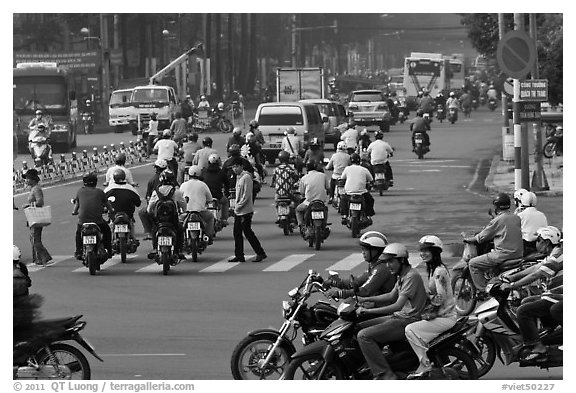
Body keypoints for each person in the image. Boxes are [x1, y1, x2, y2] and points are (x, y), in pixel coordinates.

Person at [356, 243, 428, 380]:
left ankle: (385, 374)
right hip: (399, 317)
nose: (388, 265)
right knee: (358, 327)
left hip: (407, 320)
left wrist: (369, 311)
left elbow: (396, 305)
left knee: (364, 336)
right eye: (386, 262)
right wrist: (364, 299)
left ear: (401, 260)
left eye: (391, 261)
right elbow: (390, 295)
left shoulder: (411, 276)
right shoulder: (402, 275)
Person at [500, 226, 563, 361]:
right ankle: (540, 336)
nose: (536, 244)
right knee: (526, 301)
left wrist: (512, 286)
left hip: (559, 296)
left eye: (538, 240)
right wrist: (512, 277)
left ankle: (537, 346)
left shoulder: (558, 256)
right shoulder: (554, 254)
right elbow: (535, 268)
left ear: (546, 242)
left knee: (523, 311)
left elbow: (537, 274)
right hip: (553, 294)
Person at [404, 236, 457, 379]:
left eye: (426, 250)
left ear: (435, 251)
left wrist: (428, 306)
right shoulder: (434, 270)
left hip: (445, 317)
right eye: (421, 250)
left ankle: (425, 365)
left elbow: (440, 298)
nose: (423, 254)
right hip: (443, 315)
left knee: (410, 330)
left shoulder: (439, 272)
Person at [459, 193, 523, 298]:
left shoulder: (497, 220)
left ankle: (484, 290)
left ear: (496, 207)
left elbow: (481, 238)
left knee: (473, 263)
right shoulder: (516, 218)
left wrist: (468, 239)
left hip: (503, 254)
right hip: (518, 254)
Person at [326, 231, 396, 299]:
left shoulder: (382, 268)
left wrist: (339, 294)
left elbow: (365, 290)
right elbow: (357, 282)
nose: (363, 252)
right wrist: (333, 282)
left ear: (376, 250)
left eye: (365, 250)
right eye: (362, 249)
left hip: (382, 307)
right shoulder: (375, 265)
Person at [228, 157, 267, 263]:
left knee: (247, 232)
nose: (235, 169)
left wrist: (238, 206)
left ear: (241, 166)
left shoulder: (246, 177)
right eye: (233, 167)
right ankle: (239, 255)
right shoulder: (239, 177)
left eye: (237, 166)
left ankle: (260, 253)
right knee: (237, 233)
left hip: (245, 211)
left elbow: (246, 195)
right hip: (239, 210)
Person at [72, 172, 114, 260]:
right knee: (107, 231)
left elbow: (77, 204)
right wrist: (111, 210)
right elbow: (107, 204)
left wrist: (74, 211)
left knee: (78, 233)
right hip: (97, 221)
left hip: (83, 221)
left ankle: (78, 251)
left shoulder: (80, 191)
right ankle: (109, 250)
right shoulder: (99, 192)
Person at [146, 169, 186, 259]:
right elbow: (184, 207)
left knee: (154, 230)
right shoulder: (177, 192)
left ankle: (155, 248)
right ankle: (179, 249)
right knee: (180, 229)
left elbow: (149, 208)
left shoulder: (156, 192)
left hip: (159, 221)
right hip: (172, 221)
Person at [21, 169, 52, 266]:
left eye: (27, 178)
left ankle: (45, 257)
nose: (26, 180)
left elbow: (40, 202)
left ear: (33, 179)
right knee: (32, 238)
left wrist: (28, 205)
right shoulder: (33, 189)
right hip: (32, 216)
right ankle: (38, 259)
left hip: (36, 216)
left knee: (35, 239)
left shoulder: (37, 189)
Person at [179, 165, 215, 244]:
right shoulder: (203, 185)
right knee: (211, 218)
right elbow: (210, 199)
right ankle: (209, 236)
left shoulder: (183, 185)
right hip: (200, 212)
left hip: (186, 213)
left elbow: (179, 198)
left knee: (178, 221)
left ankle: (180, 239)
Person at [104, 169, 142, 241]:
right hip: (128, 215)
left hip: (113, 215)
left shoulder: (108, 189)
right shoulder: (131, 189)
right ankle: (133, 238)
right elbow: (138, 203)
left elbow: (102, 201)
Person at [296, 160, 330, 234]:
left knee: (298, 210)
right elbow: (328, 188)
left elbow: (301, 192)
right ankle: (324, 224)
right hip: (321, 203)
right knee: (325, 209)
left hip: (308, 203)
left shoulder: (304, 178)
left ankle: (302, 227)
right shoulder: (323, 176)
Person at [139, 159, 169, 241]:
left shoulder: (152, 180)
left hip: (157, 207)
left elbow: (148, 197)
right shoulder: (171, 179)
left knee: (142, 212)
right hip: (170, 208)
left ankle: (149, 233)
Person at [340, 153, 375, 221]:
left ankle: (344, 216)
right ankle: (368, 216)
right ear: (359, 161)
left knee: (343, 200)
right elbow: (371, 180)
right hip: (361, 193)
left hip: (349, 192)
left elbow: (342, 179)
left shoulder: (347, 169)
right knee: (370, 200)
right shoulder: (364, 169)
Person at [202, 153, 230, 227]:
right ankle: (224, 219)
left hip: (205, 196)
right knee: (225, 202)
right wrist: (227, 193)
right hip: (217, 195)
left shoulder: (204, 172)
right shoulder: (221, 172)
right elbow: (227, 183)